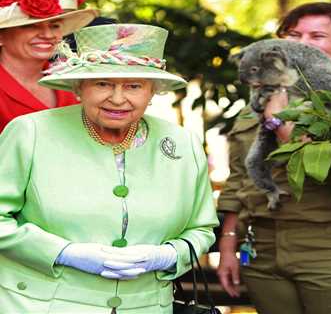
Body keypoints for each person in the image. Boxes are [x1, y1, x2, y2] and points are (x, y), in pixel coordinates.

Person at [0, 23, 219, 313]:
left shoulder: (181, 142)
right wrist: (65, 253)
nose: (117, 98)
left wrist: (166, 256)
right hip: (38, 305)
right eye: (102, 83)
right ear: (79, 87)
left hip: (147, 306)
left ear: (153, 91)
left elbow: (201, 229)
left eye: (133, 86)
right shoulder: (30, 132)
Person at [216, 2, 331, 314]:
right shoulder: (262, 97)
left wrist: (281, 124)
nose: (302, 45)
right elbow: (240, 178)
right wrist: (229, 242)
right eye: (293, 34)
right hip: (263, 248)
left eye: (317, 36)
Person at [0, 0, 98, 132]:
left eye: (55, 26)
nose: (48, 35)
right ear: (1, 35)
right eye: (31, 26)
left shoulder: (70, 79)